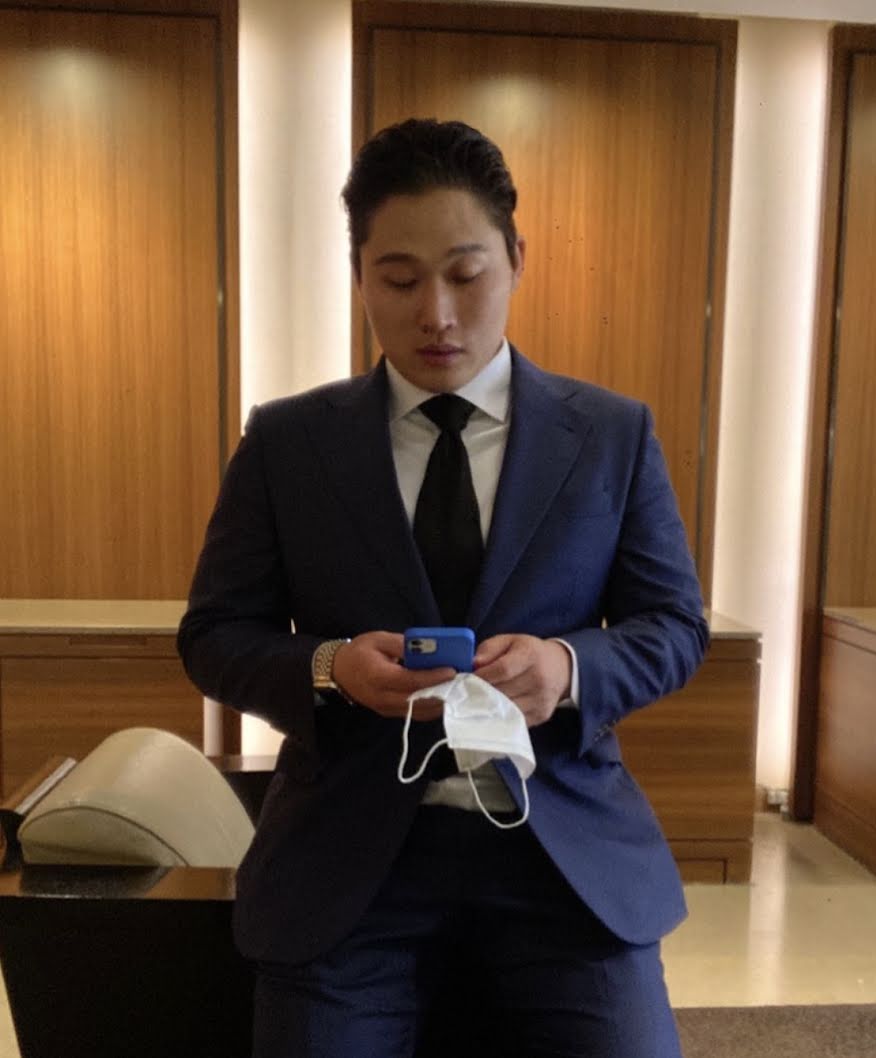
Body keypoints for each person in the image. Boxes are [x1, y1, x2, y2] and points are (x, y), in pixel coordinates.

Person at [178, 117, 708, 1058]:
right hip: (351, 861)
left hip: (561, 856)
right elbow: (215, 635)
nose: (437, 314)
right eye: (398, 280)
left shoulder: (611, 435)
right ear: (359, 276)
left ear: (516, 259)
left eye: (466, 275)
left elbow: (673, 625)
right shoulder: (289, 443)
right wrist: (332, 668)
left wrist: (568, 667)